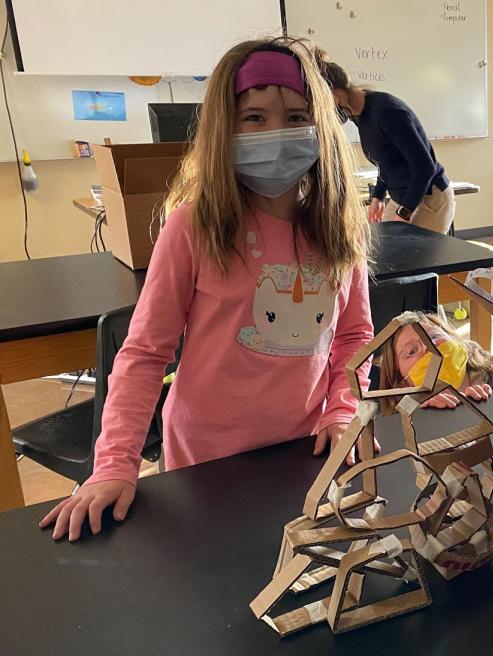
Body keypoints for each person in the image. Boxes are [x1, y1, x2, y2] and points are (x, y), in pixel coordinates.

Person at [40, 38, 374, 542]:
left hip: (301, 454)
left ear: (321, 125)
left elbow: (353, 336)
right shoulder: (194, 226)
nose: (276, 133)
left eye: (296, 115)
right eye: (255, 117)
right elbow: (145, 353)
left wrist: (343, 406)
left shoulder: (337, 227)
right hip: (204, 461)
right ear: (227, 127)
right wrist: (113, 464)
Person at [316, 53, 455, 234]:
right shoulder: (358, 115)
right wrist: (378, 197)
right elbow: (385, 162)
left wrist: (404, 213)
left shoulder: (388, 112)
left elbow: (425, 167)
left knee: (422, 260)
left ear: (334, 95)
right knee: (386, 252)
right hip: (402, 197)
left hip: (428, 198)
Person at [377, 312, 493, 413]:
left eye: (434, 336)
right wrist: (425, 420)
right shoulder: (405, 423)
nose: (430, 347)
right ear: (403, 384)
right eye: (412, 351)